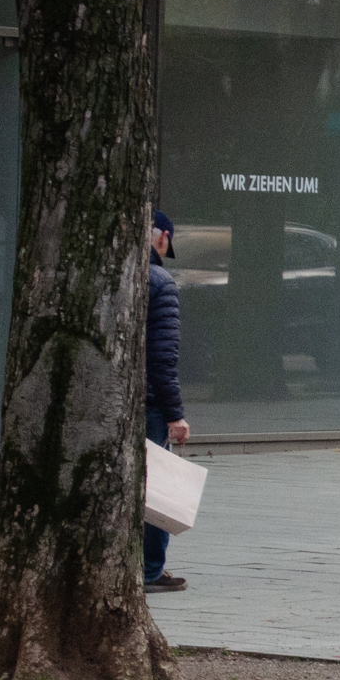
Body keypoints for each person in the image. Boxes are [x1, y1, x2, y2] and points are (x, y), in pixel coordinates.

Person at [144, 211, 191, 593]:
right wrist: (175, 414)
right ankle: (150, 568)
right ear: (160, 238)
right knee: (154, 484)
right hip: (147, 404)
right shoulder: (160, 282)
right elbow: (162, 358)